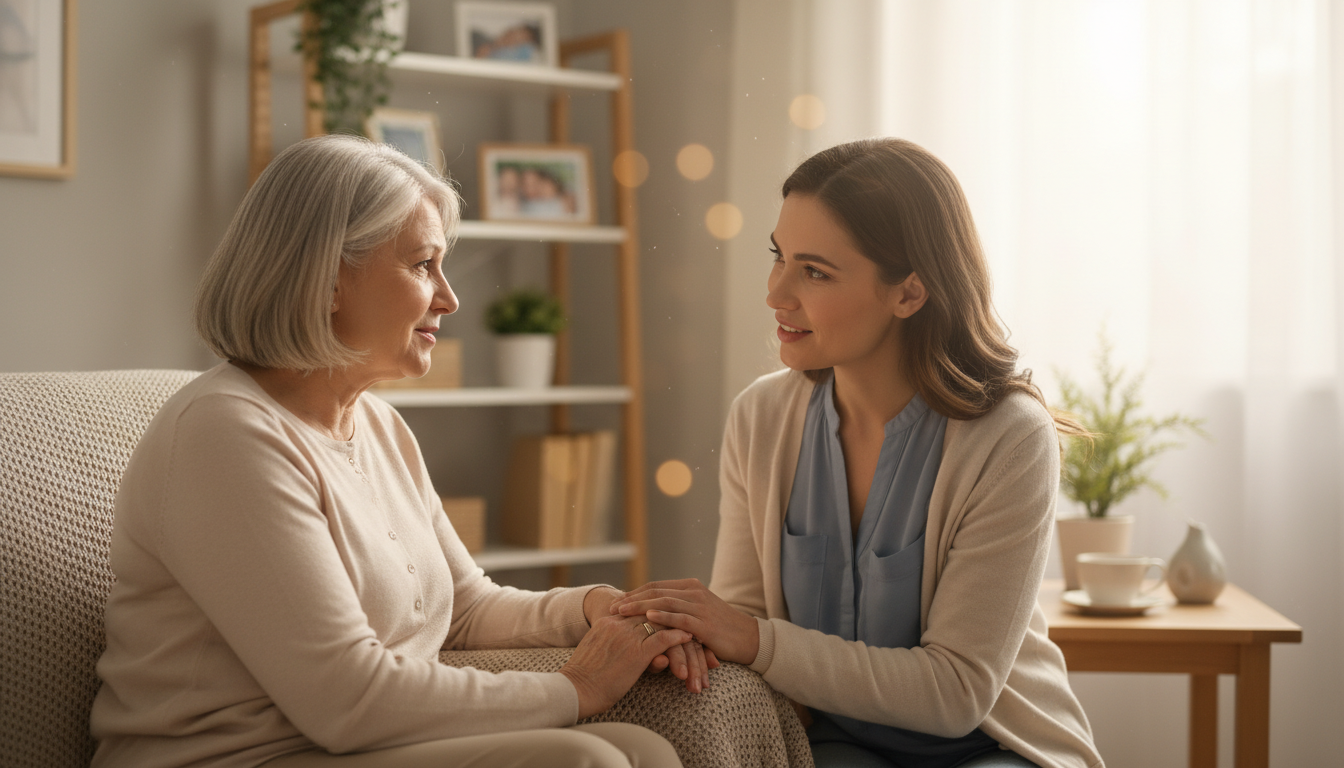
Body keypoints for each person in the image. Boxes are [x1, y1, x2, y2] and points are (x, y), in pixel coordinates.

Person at [89, 135, 711, 768]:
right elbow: (348, 698)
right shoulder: (225, 434)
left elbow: (465, 611)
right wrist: (577, 688)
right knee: (591, 762)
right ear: (328, 278)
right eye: (421, 265)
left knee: (641, 751)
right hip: (233, 758)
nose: (449, 297)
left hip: (345, 750)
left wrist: (599, 610)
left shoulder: (380, 425)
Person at [610, 138, 1105, 768]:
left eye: (814, 271)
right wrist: (690, 639)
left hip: (993, 747)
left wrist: (752, 639)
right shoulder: (761, 418)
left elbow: (957, 693)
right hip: (829, 745)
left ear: (909, 294)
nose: (776, 294)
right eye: (778, 257)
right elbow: (740, 627)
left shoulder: (1010, 436)